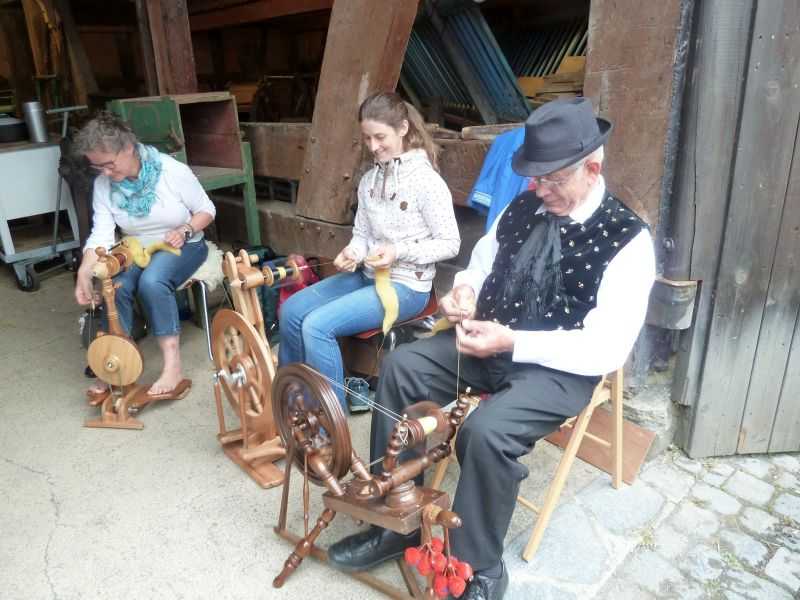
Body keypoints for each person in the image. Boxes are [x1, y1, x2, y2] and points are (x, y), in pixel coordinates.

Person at [326, 98, 656, 600]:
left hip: (560, 368)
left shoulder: (629, 240)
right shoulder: (525, 206)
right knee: (402, 366)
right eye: (535, 178)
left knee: (485, 432)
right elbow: (480, 267)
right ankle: (395, 523)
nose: (539, 190)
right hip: (491, 340)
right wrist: (464, 295)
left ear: (593, 168)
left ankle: (476, 567)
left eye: (553, 180)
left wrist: (514, 340)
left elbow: (606, 348)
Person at [278, 91, 460, 411]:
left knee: (317, 326)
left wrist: (397, 251)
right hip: (367, 276)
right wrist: (352, 252)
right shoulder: (369, 181)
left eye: (380, 137)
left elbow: (450, 243)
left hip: (406, 287)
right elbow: (362, 234)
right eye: (367, 138)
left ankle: (330, 423)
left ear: (403, 129)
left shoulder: (427, 183)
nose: (373, 146)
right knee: (293, 310)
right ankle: (293, 400)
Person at [73, 111, 216, 397]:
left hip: (183, 244)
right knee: (116, 286)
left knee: (153, 282)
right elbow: (101, 234)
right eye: (98, 167)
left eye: (109, 164)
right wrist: (83, 272)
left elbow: (207, 210)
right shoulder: (104, 185)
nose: (105, 173)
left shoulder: (170, 171)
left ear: (128, 148)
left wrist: (186, 229)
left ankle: (173, 366)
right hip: (136, 247)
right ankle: (115, 363)